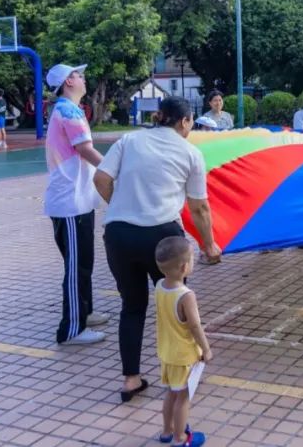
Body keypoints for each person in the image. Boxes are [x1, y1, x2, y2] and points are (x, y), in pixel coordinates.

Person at [93, 95, 221, 404]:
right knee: (175, 305)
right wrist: (209, 245)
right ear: (185, 121)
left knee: (132, 306)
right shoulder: (190, 153)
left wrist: (120, 207)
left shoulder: (129, 140)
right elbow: (199, 207)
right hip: (163, 237)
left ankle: (131, 379)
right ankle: (181, 373)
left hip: (120, 234)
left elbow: (101, 178)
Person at [43, 63, 108, 346]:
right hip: (70, 201)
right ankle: (71, 330)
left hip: (77, 199)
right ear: (68, 82)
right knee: (76, 267)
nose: (83, 78)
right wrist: (114, 170)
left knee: (83, 262)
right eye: (78, 75)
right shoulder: (68, 111)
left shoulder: (68, 109)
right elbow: (85, 149)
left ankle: (85, 312)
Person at [153, 236, 212, 447]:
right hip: (183, 355)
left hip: (166, 352)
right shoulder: (186, 295)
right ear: (184, 267)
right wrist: (206, 349)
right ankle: (180, 438)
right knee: (183, 398)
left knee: (171, 392)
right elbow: (195, 326)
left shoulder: (159, 286)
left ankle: (167, 431)